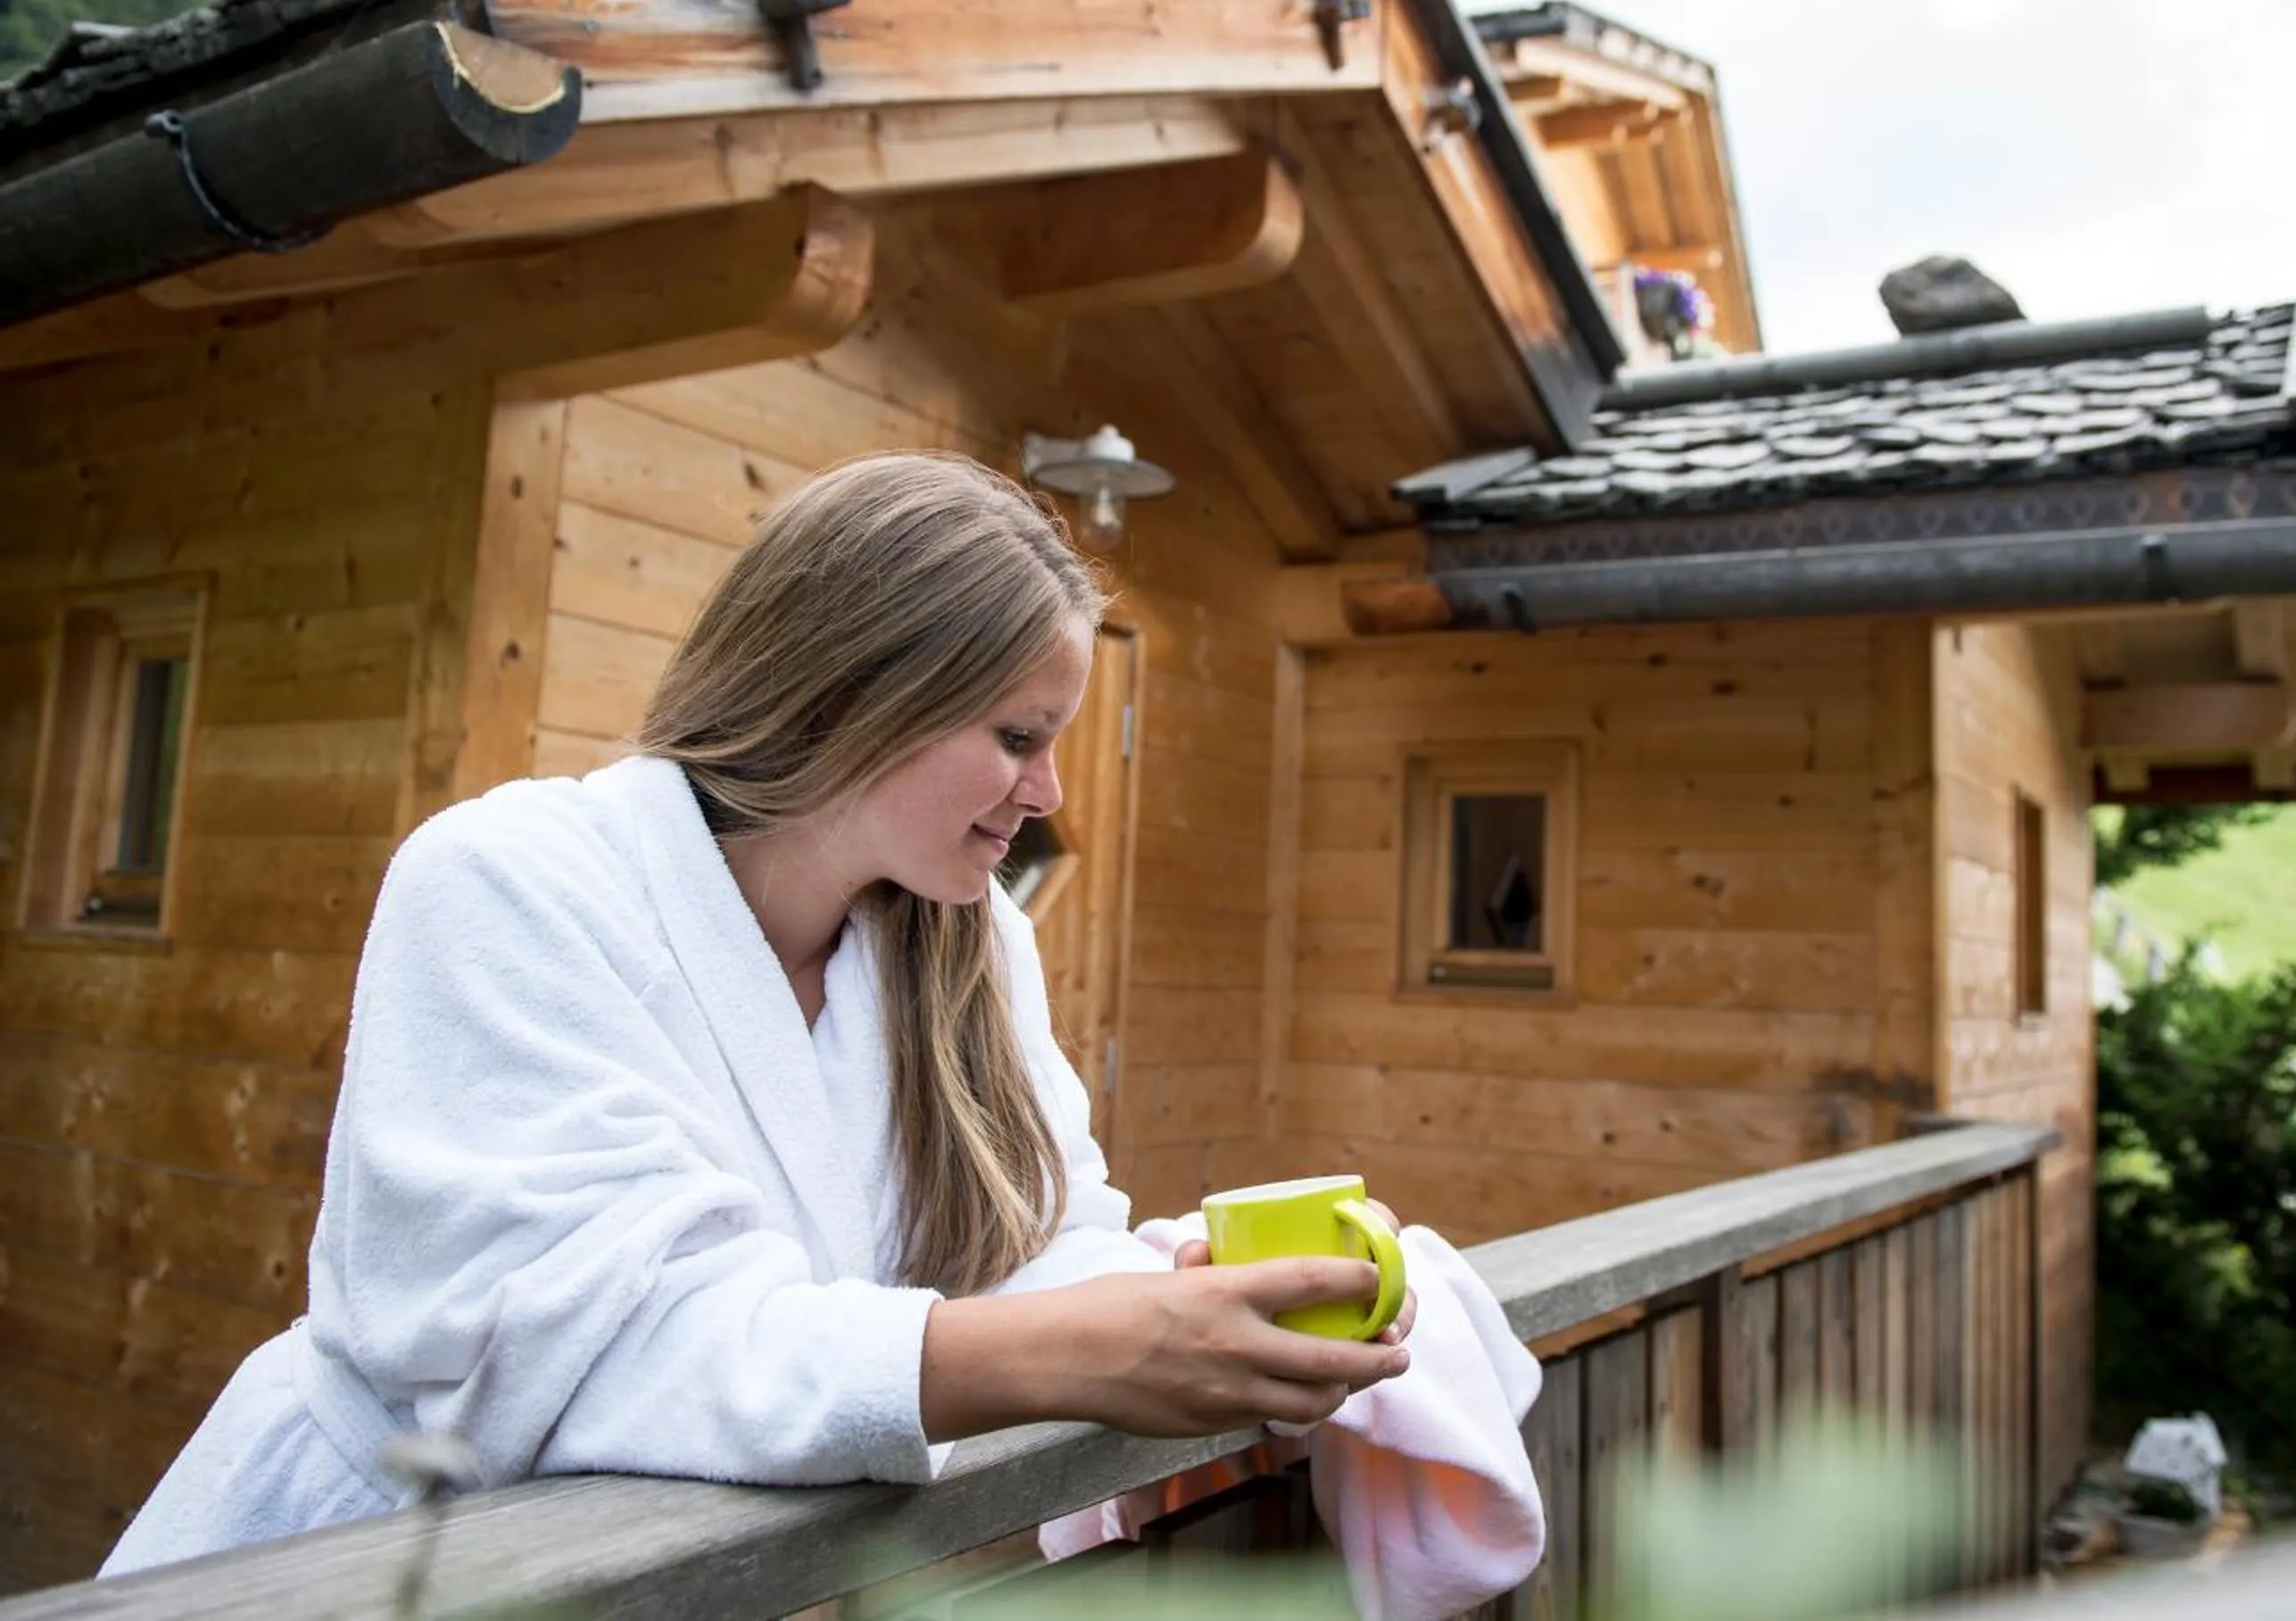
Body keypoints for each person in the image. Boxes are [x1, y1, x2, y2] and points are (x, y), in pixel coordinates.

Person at [102, 451, 1413, 1576]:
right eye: (1019, 737)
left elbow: (1039, 1242)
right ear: (859, 689)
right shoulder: (509, 884)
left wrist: (1184, 1298)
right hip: (373, 1565)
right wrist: (1079, 1349)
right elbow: (576, 1357)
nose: (1048, 791)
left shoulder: (969, 945)